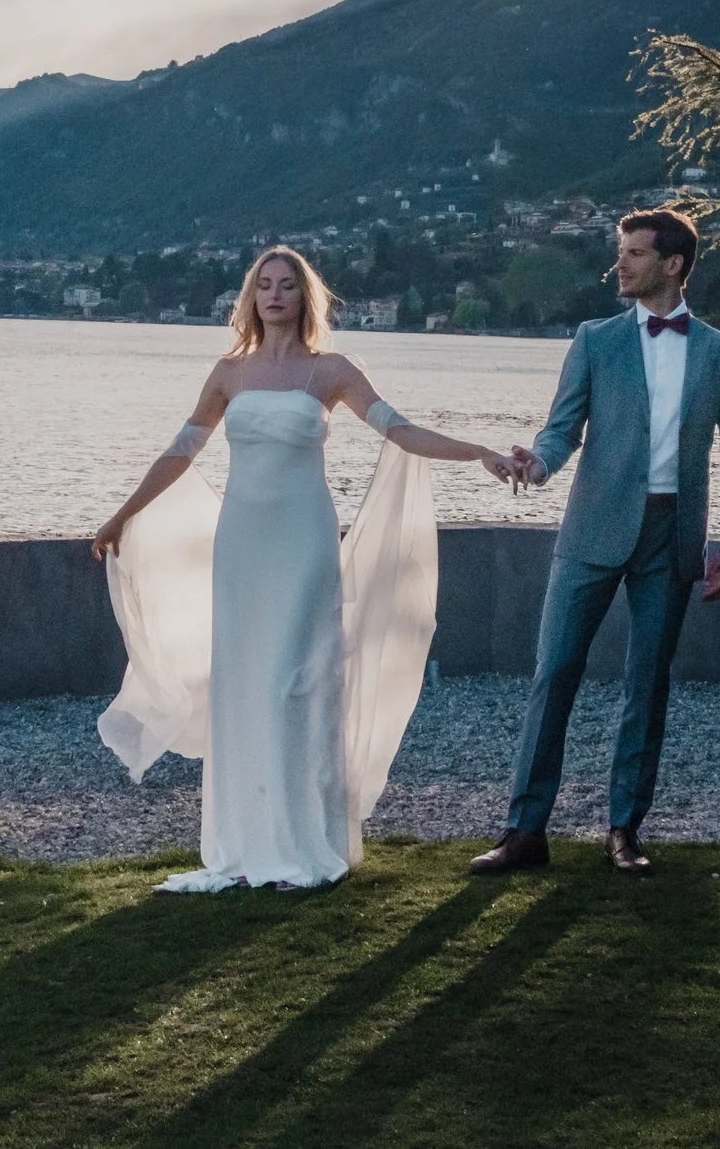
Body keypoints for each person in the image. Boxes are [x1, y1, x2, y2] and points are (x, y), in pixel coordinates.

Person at [92, 245, 522, 892]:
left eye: (286, 284)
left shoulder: (332, 371)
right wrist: (121, 515)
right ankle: (245, 843)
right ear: (251, 297)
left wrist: (480, 452)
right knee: (245, 685)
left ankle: (305, 842)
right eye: (263, 284)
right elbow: (180, 453)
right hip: (243, 546)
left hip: (303, 543)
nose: (273, 294)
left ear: (304, 296)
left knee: (298, 682)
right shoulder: (228, 374)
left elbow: (401, 431)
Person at [471, 208, 720, 876]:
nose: (620, 264)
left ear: (674, 264)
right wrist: (537, 464)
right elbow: (561, 428)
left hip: (673, 534)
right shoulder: (595, 339)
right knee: (554, 672)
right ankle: (525, 830)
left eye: (633, 253)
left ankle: (624, 829)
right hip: (592, 527)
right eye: (620, 250)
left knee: (646, 683)